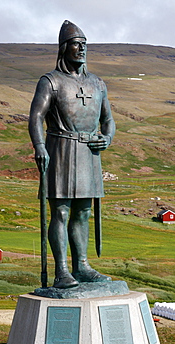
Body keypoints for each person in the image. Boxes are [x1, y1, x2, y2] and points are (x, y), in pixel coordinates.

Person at [29, 20, 115, 289]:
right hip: (62, 151)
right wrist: (40, 147)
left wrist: (107, 137)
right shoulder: (51, 82)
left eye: (85, 44)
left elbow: (109, 120)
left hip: (89, 153)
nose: (82, 49)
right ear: (64, 48)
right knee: (62, 212)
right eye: (77, 44)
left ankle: (82, 266)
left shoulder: (98, 84)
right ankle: (62, 271)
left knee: (83, 213)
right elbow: (36, 117)